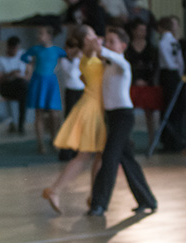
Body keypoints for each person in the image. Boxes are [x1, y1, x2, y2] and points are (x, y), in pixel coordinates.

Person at [87, 27, 156, 216]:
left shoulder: (123, 64)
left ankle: (98, 204)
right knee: (127, 159)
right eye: (107, 40)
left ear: (123, 46)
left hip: (124, 116)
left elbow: (107, 54)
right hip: (112, 116)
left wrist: (99, 45)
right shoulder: (108, 65)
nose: (108, 44)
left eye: (112, 41)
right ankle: (147, 200)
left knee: (110, 158)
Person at [44, 24, 105, 214]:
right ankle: (54, 190)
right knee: (86, 155)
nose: (97, 36)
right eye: (93, 33)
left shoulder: (85, 58)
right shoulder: (92, 56)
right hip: (92, 108)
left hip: (92, 106)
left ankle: (94, 196)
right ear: (87, 39)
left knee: (96, 155)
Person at [21, 25, 66, 154]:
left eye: (41, 33)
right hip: (38, 81)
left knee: (54, 113)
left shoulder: (57, 50)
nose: (39, 36)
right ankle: (40, 143)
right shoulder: (36, 49)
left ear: (49, 36)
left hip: (51, 82)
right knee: (39, 112)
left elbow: (68, 55)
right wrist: (30, 64)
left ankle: (54, 139)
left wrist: (58, 67)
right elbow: (24, 57)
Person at [125, 18, 159, 150]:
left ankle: (152, 139)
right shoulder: (128, 47)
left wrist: (147, 81)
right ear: (134, 31)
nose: (142, 32)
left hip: (147, 83)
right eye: (140, 30)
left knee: (149, 112)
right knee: (130, 112)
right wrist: (134, 80)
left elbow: (155, 67)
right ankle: (129, 140)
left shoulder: (151, 47)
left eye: (144, 30)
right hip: (132, 83)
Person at [157, 16, 186, 153]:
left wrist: (172, 70)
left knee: (168, 107)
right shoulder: (175, 41)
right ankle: (176, 140)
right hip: (176, 75)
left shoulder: (163, 42)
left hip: (168, 75)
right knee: (176, 108)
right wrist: (179, 74)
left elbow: (167, 61)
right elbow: (180, 61)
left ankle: (170, 142)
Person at [56, 36, 84, 161]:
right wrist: (77, 59)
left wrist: (79, 58)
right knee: (70, 121)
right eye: (69, 48)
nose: (71, 51)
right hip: (71, 92)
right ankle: (66, 151)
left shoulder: (80, 59)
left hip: (81, 91)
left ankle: (79, 149)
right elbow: (73, 74)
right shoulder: (64, 61)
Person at [0, 35, 28, 134]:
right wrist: (11, 74)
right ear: (9, 48)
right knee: (22, 87)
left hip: (21, 86)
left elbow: (28, 75)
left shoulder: (23, 56)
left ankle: (20, 124)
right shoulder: (1, 59)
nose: (16, 50)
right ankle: (17, 124)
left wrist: (20, 76)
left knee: (23, 86)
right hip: (7, 86)